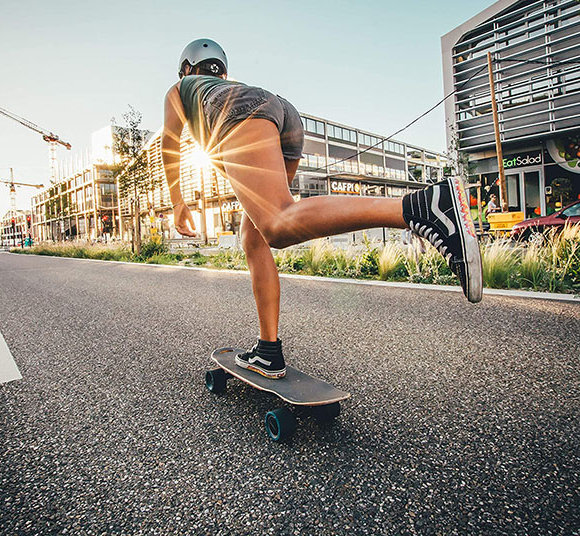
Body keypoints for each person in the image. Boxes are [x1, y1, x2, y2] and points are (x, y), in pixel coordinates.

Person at [162, 38, 483, 379]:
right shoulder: (223, 86)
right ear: (221, 69)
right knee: (255, 237)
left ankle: (420, 206)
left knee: (278, 223)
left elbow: (170, 142)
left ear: (186, 68)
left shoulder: (181, 89)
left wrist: (179, 203)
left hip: (244, 113)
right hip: (282, 112)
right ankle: (268, 351)